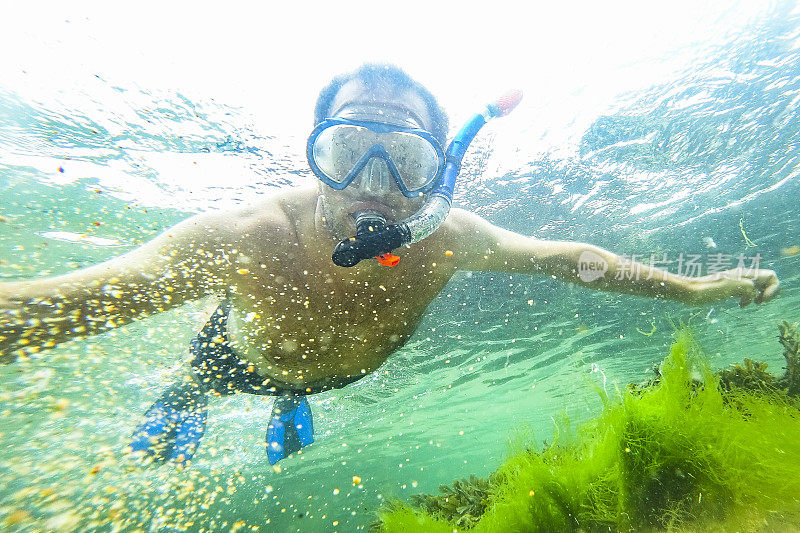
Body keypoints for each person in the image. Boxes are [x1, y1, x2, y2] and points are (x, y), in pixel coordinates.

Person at [0, 64, 780, 467]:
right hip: (233, 363)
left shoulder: (450, 236)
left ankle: (287, 407)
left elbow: (572, 260)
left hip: (331, 375)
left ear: (435, 172)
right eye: (348, 151)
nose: (373, 186)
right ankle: (188, 398)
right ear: (316, 157)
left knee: (296, 390)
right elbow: (88, 298)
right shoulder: (245, 234)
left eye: (402, 159)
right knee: (202, 375)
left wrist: (695, 289)